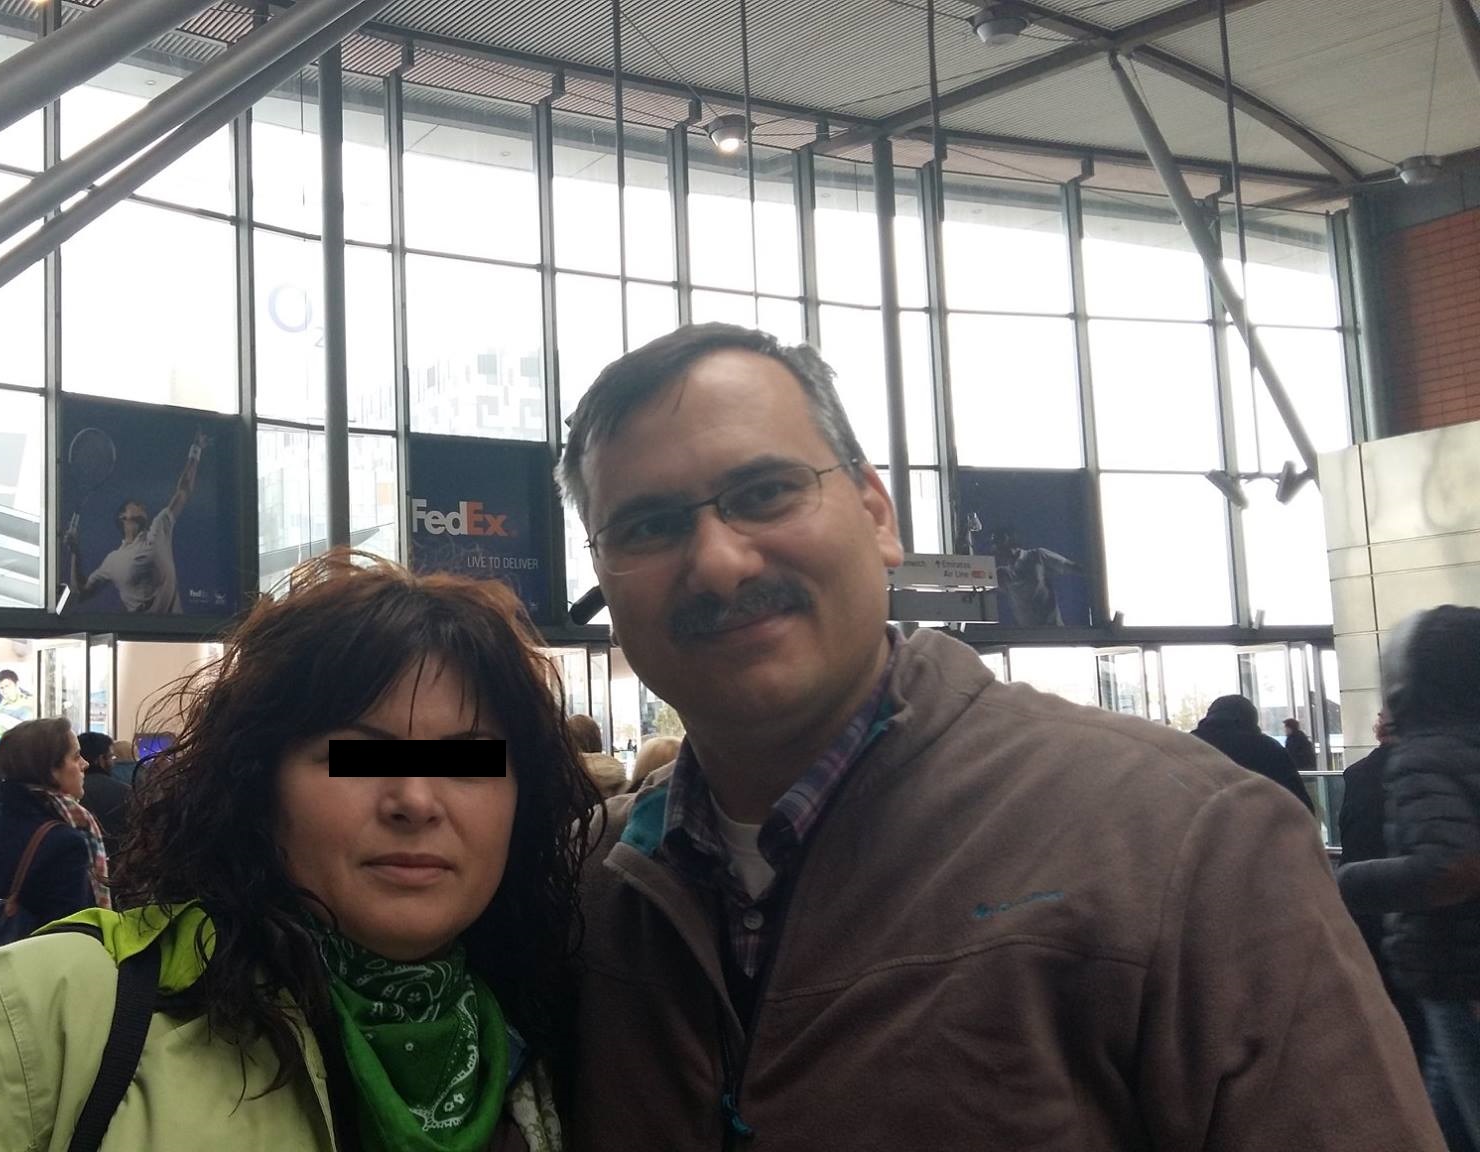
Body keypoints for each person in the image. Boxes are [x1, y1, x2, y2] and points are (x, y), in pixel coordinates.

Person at [554, 323, 1435, 1148]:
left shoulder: (1187, 843)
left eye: (764, 493)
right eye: (649, 526)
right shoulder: (585, 891)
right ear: (603, 575)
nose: (719, 562)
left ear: (876, 512)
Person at [0, 553, 598, 1151]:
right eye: (356, 755)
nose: (416, 800)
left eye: (468, 761)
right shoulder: (43, 1020)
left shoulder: (574, 1034)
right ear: (258, 783)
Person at [1339, 605, 1480, 1150]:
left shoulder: (1426, 754)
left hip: (1459, 971)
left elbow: (1447, 868)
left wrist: (1342, 882)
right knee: (1440, 1123)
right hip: (1452, 976)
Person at [0, 718, 107, 969]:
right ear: (51, 769)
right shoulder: (64, 842)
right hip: (35, 981)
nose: (85, 764)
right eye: (75, 756)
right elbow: (74, 939)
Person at [1340, 710, 1431, 1070]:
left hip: (1366, 908)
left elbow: (1351, 841)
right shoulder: (1423, 771)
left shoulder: (1356, 774)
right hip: (1414, 912)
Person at [65, 427, 210, 614]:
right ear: (122, 516)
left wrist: (196, 449)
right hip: (140, 632)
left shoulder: (160, 526)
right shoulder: (112, 560)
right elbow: (79, 592)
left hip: (177, 630)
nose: (142, 505)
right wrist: (75, 552)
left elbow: (184, 490)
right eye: (135, 504)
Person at [1192, 695, 1318, 813]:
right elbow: (1299, 803)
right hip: (1259, 823)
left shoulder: (1191, 745)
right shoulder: (1268, 748)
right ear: (1252, 717)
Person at [76, 730, 133, 843]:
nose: (113, 762)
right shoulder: (124, 791)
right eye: (111, 757)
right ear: (101, 759)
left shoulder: (66, 793)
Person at [0, 670, 35, 740]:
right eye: (1, 688)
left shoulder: (32, 701)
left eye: (7, 686)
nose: (5, 691)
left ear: (17, 684)